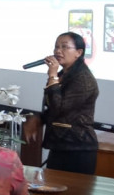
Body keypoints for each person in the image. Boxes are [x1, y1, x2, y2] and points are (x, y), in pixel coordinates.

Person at [24, 31, 100, 175]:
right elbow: (54, 108)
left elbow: (60, 108)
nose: (58, 51)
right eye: (56, 47)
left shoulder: (83, 79)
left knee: (73, 190)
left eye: (64, 47)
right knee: (52, 187)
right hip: (60, 145)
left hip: (78, 148)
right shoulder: (64, 75)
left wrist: (52, 76)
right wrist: (39, 119)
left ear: (78, 52)